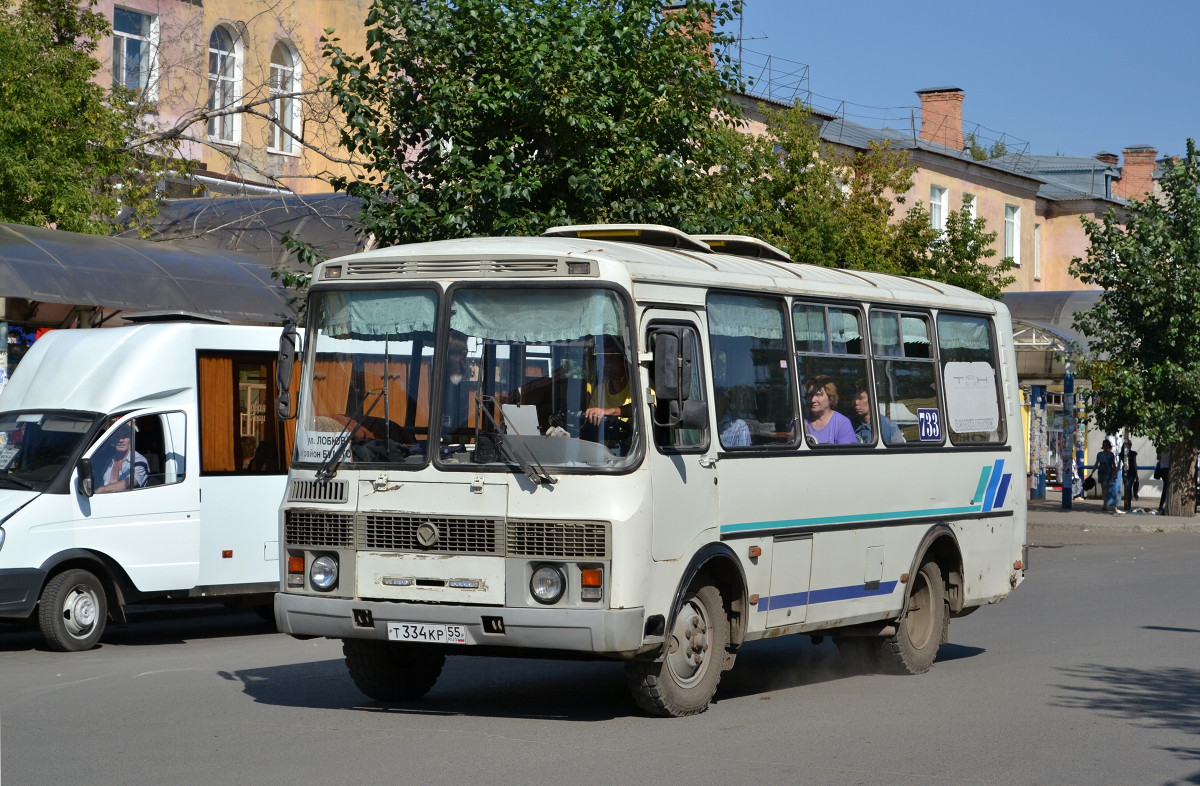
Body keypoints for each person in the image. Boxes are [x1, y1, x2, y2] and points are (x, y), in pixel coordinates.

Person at [584, 338, 632, 427]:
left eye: (611, 360)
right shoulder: (600, 390)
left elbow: (640, 408)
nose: (606, 365)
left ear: (625, 362)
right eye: (603, 360)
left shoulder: (639, 386)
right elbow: (591, 420)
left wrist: (609, 411)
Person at [803, 375, 856, 445]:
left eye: (818, 395)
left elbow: (846, 454)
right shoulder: (799, 422)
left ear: (830, 397)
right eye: (810, 395)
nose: (813, 400)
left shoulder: (842, 423)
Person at [94, 424, 148, 493]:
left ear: (131, 438)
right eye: (117, 436)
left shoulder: (139, 461)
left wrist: (101, 489)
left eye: (125, 436)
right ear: (112, 440)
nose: (121, 440)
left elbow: (129, 483)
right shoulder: (109, 460)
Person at [1090, 439, 1120, 514]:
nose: (1105, 447)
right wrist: (1092, 473)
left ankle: (1105, 504)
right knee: (1103, 488)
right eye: (1104, 445)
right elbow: (1096, 463)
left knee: (1105, 484)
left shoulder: (1111, 455)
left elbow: (1113, 464)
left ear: (1109, 446)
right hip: (1101, 471)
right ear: (1102, 446)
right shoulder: (1099, 454)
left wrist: (1115, 473)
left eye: (1107, 445)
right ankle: (1105, 501)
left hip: (1108, 471)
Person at [1121, 441, 1139, 511]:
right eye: (1128, 445)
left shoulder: (1133, 453)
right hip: (1125, 471)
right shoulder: (1122, 454)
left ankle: (1128, 503)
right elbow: (1120, 463)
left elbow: (1134, 464)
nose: (1129, 446)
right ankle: (1127, 503)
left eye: (1130, 445)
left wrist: (1136, 474)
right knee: (1127, 487)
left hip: (1132, 472)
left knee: (1129, 486)